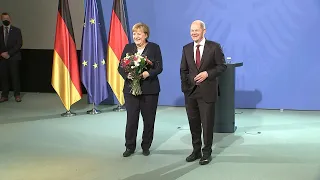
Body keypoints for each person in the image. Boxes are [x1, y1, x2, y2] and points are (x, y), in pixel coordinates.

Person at [180, 20, 227, 165]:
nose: (193, 33)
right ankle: (196, 151)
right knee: (193, 124)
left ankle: (206, 153)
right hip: (191, 93)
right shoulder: (186, 48)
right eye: (192, 30)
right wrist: (186, 88)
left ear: (204, 31)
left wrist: (208, 73)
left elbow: (222, 66)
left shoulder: (214, 47)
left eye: (196, 30)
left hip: (207, 92)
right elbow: (183, 70)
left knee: (207, 124)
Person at [118, 22, 163, 157]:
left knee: (149, 120)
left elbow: (159, 67)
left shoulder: (154, 48)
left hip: (150, 90)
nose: (136, 36)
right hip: (131, 90)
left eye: (139, 33)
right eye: (134, 33)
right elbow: (120, 67)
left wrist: (147, 73)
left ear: (146, 35)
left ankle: (146, 146)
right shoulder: (128, 47)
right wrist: (127, 75)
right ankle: (129, 147)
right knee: (131, 119)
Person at [0, 12, 23, 103]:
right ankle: (4, 95)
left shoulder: (17, 30)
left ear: (10, 19)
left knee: (15, 76)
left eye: (7, 18)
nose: (6, 20)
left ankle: (17, 95)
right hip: (2, 58)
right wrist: (2, 53)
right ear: (1, 20)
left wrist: (9, 53)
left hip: (14, 57)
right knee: (3, 77)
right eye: (4, 19)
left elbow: (19, 44)